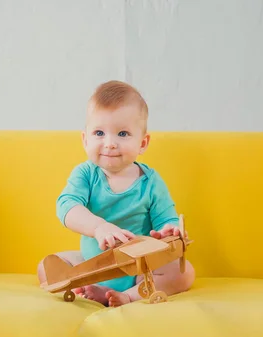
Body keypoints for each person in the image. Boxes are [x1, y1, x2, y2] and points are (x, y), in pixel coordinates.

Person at [37, 80, 195, 307]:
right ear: (85, 139)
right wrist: (98, 227)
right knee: (46, 267)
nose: (109, 143)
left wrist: (169, 232)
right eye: (99, 133)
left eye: (122, 133)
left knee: (184, 272)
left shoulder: (150, 182)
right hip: (92, 264)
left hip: (140, 267)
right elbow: (67, 206)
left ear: (143, 143)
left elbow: (166, 220)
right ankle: (92, 288)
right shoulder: (86, 174)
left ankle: (128, 296)